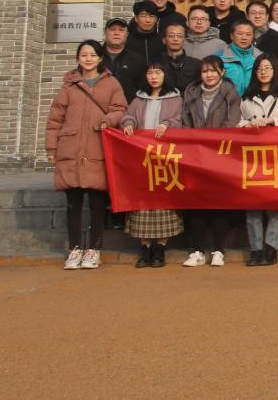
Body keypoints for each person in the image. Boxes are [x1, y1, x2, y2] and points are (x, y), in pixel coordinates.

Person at [46, 39, 127, 270]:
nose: (88, 59)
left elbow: (120, 109)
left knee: (97, 203)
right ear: (78, 59)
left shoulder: (111, 83)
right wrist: (51, 148)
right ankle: (74, 249)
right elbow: (55, 119)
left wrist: (108, 120)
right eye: (84, 55)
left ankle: (94, 249)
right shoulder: (68, 86)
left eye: (92, 55)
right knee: (73, 204)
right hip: (71, 149)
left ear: (100, 58)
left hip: (97, 148)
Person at [119, 60, 182, 269]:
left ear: (165, 75)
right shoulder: (139, 98)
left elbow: (181, 120)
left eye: (158, 72)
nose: (154, 77)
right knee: (142, 203)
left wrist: (168, 124)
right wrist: (128, 123)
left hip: (165, 158)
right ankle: (145, 248)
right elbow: (128, 116)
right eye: (150, 73)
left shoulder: (175, 98)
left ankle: (160, 248)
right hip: (142, 158)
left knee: (164, 203)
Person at [181, 55, 242, 267]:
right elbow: (185, 122)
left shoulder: (230, 93)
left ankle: (218, 250)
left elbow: (232, 122)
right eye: (205, 71)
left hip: (221, 155)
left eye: (213, 71)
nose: (209, 75)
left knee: (219, 202)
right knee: (195, 203)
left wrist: (213, 143)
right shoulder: (191, 93)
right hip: (195, 155)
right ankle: (197, 250)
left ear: (221, 72)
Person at [237, 54, 278, 266]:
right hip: (253, 157)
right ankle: (255, 248)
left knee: (275, 203)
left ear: (275, 71)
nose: (263, 72)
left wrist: (272, 120)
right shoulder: (246, 97)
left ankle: (271, 247)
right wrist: (247, 125)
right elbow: (237, 122)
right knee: (252, 204)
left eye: (268, 68)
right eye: (260, 68)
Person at [101, 16, 143, 101]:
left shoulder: (137, 59)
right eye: (112, 29)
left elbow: (143, 90)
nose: (116, 33)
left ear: (127, 34)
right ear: (105, 32)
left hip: (128, 107)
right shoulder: (95, 57)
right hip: (98, 107)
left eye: (121, 30)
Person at [218, 20, 261, 95]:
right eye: (240, 34)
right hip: (228, 100)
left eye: (248, 34)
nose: (244, 37)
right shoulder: (220, 57)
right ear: (231, 36)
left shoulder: (260, 57)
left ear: (253, 36)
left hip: (253, 100)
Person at [159, 20, 202, 93]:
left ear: (184, 40)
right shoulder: (156, 65)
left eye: (179, 36)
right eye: (171, 36)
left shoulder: (197, 65)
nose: (175, 39)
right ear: (164, 40)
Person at [126, 0, 164, 65]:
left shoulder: (162, 41)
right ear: (136, 18)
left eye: (151, 16)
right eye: (143, 16)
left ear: (156, 19)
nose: (148, 20)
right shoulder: (126, 40)